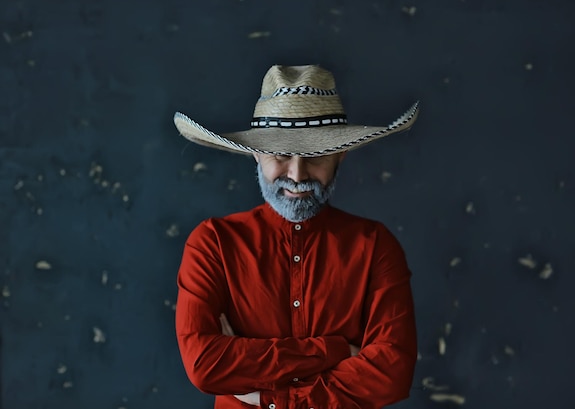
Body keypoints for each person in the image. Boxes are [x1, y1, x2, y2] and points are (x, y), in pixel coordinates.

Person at [173, 64, 420, 409]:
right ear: (256, 154)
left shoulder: (375, 246)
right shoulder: (212, 243)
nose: (297, 173)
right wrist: (333, 351)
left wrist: (268, 398)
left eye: (316, 156)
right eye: (280, 155)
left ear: (340, 155)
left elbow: (390, 374)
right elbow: (204, 365)